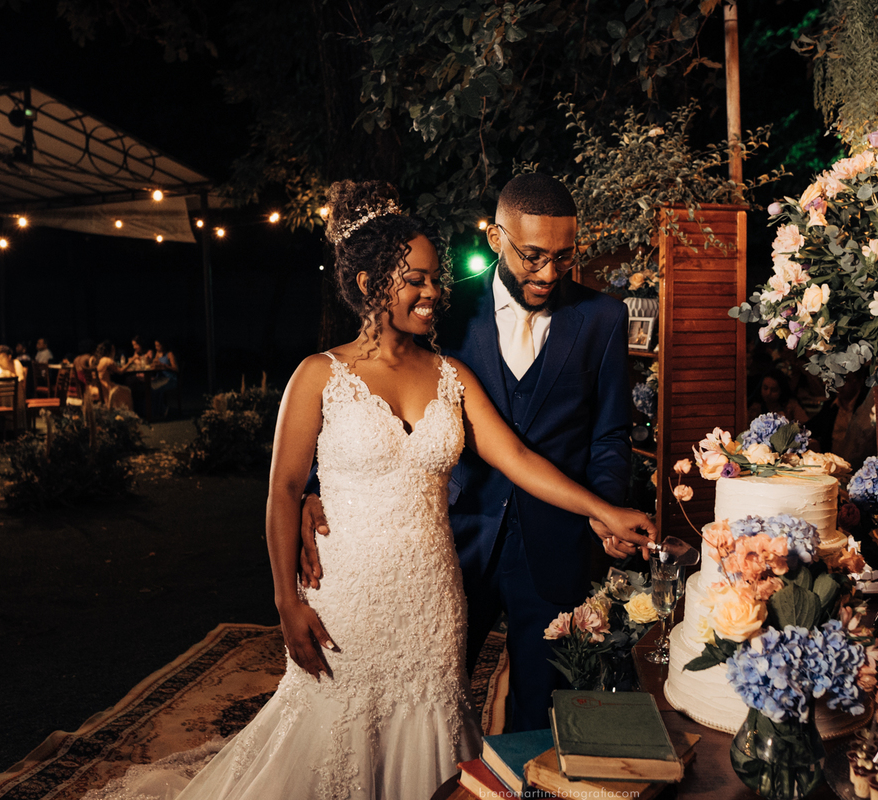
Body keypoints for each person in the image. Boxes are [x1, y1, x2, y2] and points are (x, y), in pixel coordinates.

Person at [84, 180, 655, 800]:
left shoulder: (452, 372)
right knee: (337, 734)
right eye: (416, 279)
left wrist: (606, 510)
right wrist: (286, 597)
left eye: (434, 278)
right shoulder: (319, 373)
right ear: (367, 283)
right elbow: (284, 487)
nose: (432, 291)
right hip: (362, 589)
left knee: (465, 724)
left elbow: (519, 456)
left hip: (442, 592)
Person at [302, 173, 641, 734]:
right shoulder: (443, 310)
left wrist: (601, 512)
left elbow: (608, 435)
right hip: (449, 534)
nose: (549, 273)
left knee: (540, 707)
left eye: (564, 256)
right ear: (496, 239)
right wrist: (320, 483)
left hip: (555, 538)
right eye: (533, 256)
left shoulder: (603, 318)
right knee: (426, 697)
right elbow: (369, 389)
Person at [94, 340, 133, 410]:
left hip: (100, 387)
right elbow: (120, 371)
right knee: (128, 391)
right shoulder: (107, 360)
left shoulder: (100, 360)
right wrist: (130, 362)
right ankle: (129, 414)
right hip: (107, 388)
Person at [151, 338, 179, 417]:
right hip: (160, 379)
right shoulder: (157, 353)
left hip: (170, 379)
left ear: (163, 345)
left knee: (157, 389)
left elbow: (176, 369)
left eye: (158, 345)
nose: (156, 347)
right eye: (155, 345)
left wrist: (165, 366)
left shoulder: (169, 354)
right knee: (149, 387)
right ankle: (154, 411)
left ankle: (162, 410)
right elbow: (155, 364)